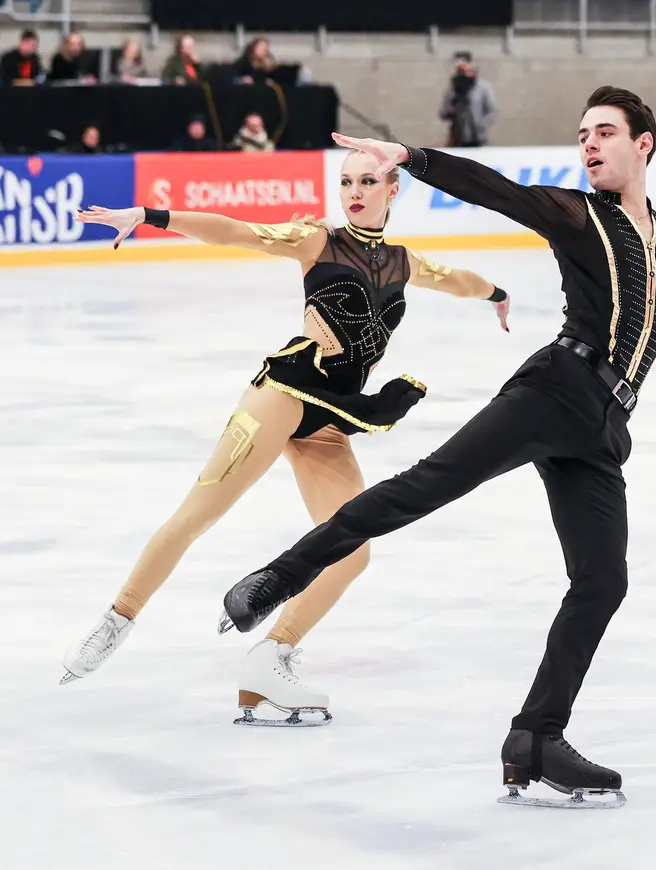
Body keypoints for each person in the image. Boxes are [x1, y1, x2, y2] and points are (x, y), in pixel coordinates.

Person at [219, 86, 656, 802]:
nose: (589, 145)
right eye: (583, 135)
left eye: (604, 133)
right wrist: (413, 158)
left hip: (604, 426)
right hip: (555, 389)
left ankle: (535, 737)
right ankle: (277, 578)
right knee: (425, 487)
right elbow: (497, 190)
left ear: (643, 144)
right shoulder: (579, 215)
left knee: (603, 580)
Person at [60, 149, 512, 729]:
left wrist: (496, 294)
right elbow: (234, 231)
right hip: (284, 397)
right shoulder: (316, 241)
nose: (354, 191)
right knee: (197, 516)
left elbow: (458, 281)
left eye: (367, 181)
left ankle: (273, 654)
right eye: (346, 181)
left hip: (331, 422)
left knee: (352, 548)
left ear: (392, 189)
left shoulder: (405, 262)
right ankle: (117, 619)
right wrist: (151, 215)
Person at [439, 51, 497, 147]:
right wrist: (451, 108)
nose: (461, 65)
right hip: (457, 138)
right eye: (457, 63)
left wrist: (480, 125)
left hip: (478, 138)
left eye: (463, 62)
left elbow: (492, 111)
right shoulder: (452, 87)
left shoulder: (482, 87)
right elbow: (443, 113)